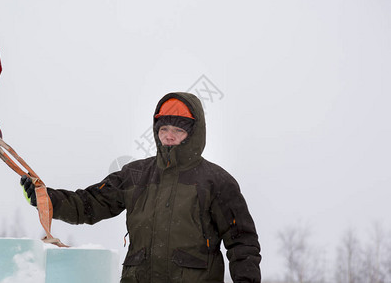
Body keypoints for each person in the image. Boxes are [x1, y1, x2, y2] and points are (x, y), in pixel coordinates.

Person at [21, 92, 261, 282]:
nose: (169, 135)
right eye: (164, 128)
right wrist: (45, 199)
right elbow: (89, 204)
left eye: (178, 130)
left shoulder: (216, 181)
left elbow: (243, 243)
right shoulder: (135, 175)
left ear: (193, 134)